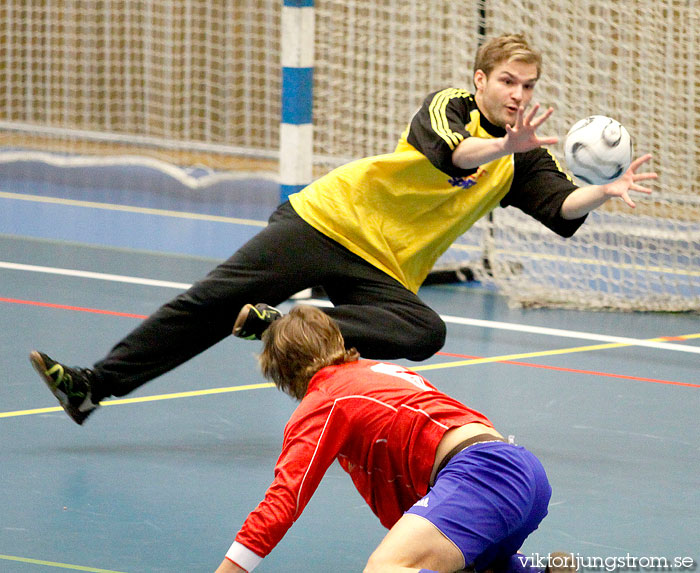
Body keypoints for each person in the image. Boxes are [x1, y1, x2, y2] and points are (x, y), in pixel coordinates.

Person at [30, 33, 657, 424]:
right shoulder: (452, 108)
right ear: (480, 81)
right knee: (209, 302)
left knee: (424, 329)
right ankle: (92, 387)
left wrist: (601, 191)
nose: (519, 94)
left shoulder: (525, 154)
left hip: (382, 267)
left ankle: (284, 327)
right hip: (326, 221)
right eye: (508, 82)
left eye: (529, 86)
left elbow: (559, 207)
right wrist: (502, 147)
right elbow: (452, 154)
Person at [215, 305, 573, 573]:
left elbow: (283, 501)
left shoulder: (325, 399)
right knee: (443, 561)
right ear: (337, 339)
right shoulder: (377, 374)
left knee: (385, 569)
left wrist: (230, 569)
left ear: (282, 375)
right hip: (518, 473)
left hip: (482, 477)